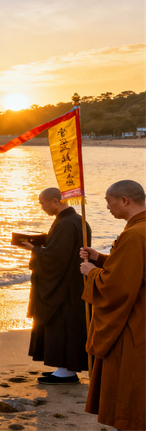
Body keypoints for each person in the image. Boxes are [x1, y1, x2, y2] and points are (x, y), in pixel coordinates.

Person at [79, 180, 145, 431]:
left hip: (134, 321)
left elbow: (118, 287)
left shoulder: (134, 234)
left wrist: (92, 272)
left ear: (125, 200)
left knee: (128, 383)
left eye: (109, 201)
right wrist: (101, 258)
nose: (107, 207)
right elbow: (134, 270)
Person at [16, 187, 91, 384]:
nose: (42, 207)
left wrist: (35, 250)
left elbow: (55, 257)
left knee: (63, 324)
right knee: (64, 325)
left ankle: (66, 372)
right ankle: (63, 368)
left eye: (43, 203)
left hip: (64, 286)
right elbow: (58, 249)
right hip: (70, 282)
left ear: (55, 201)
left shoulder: (66, 223)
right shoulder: (71, 221)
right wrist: (41, 244)